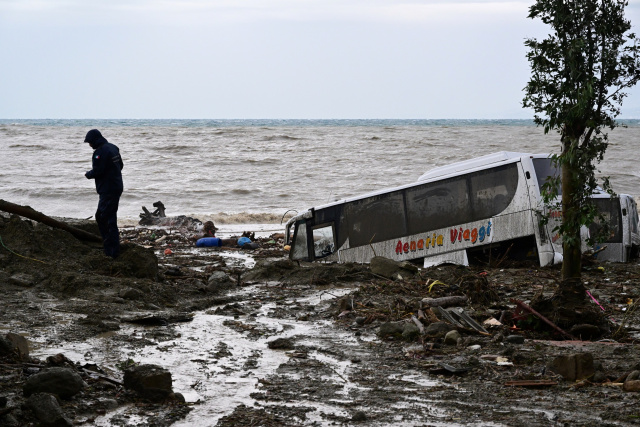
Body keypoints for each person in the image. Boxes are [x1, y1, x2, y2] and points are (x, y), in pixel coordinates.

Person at [84, 129, 124, 258]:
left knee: (104, 218)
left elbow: (98, 171)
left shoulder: (99, 153)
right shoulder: (113, 147)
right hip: (116, 186)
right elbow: (121, 165)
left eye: (90, 142)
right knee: (108, 217)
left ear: (94, 140)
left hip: (108, 190)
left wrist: (88, 174)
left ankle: (110, 251)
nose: (89, 145)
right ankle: (113, 249)